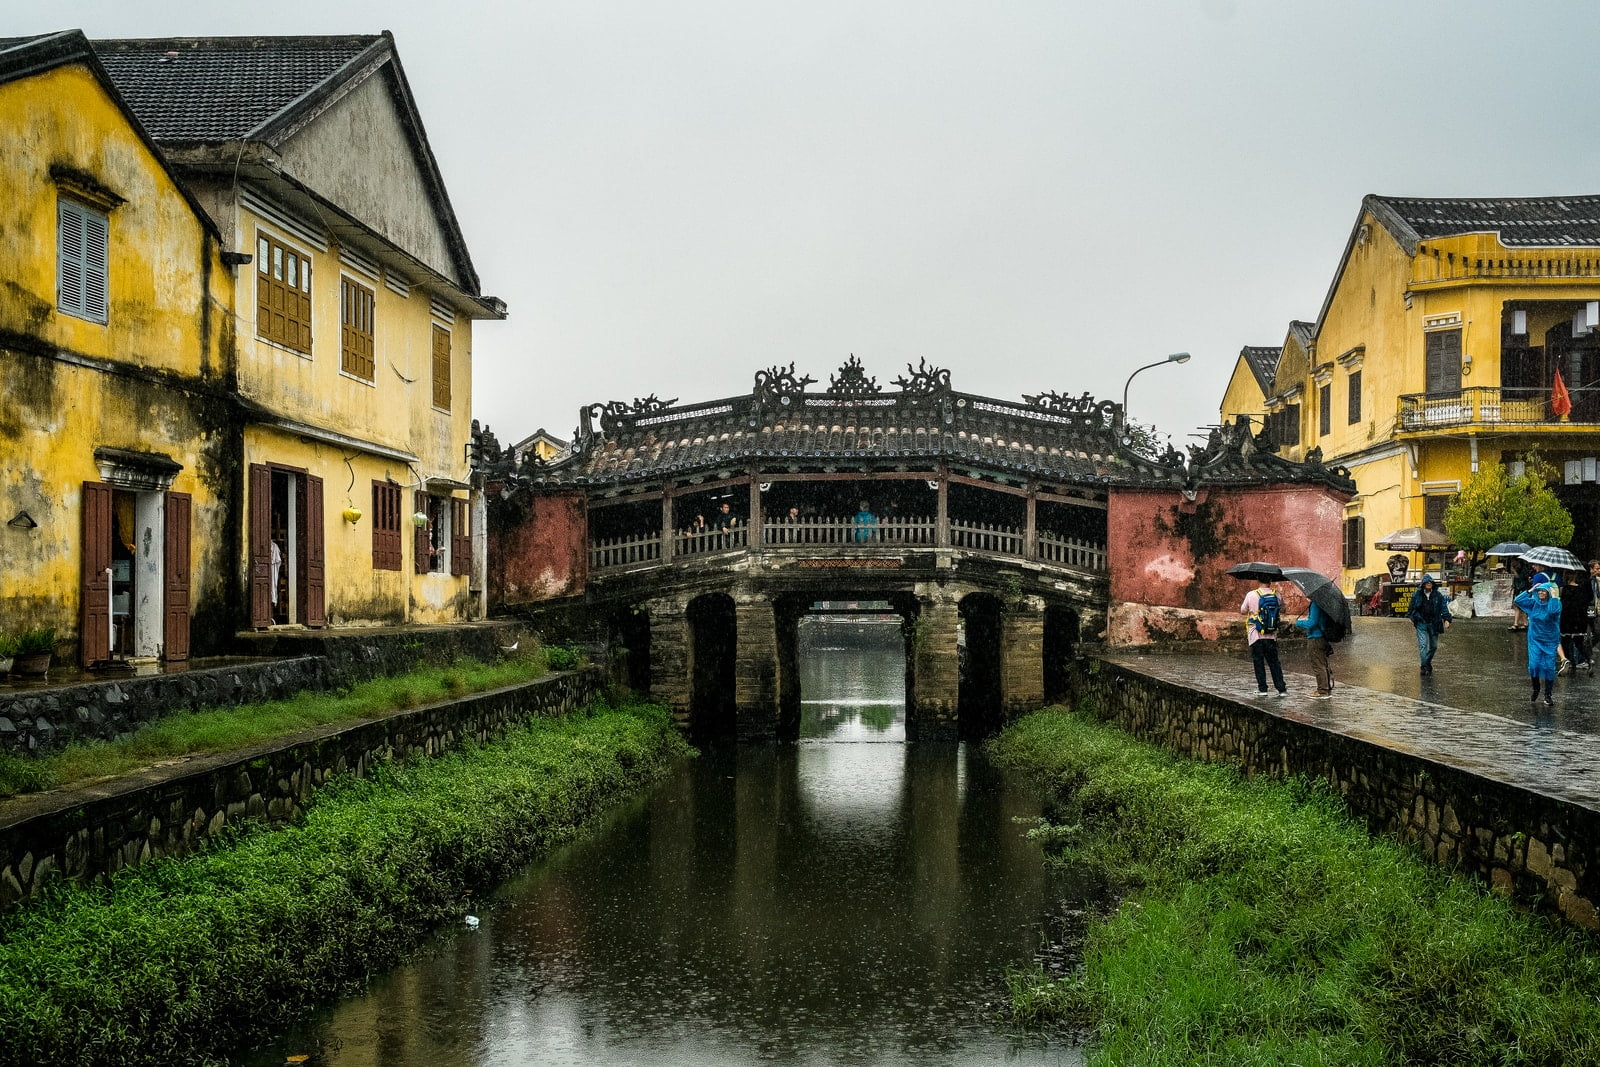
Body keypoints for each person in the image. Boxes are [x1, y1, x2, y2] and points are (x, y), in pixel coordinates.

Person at [1514, 581, 1563, 705]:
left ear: (1548, 593)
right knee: (1534, 665)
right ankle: (1536, 688)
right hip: (1535, 640)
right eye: (1539, 590)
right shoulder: (1533, 604)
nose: (1540, 592)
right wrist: (1530, 590)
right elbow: (1518, 600)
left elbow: (1553, 611)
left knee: (1549, 668)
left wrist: (1554, 597)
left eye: (1543, 591)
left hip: (1550, 640)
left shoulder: (1555, 603)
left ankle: (1548, 694)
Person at [1241, 580, 1287, 696]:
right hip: (1271, 634)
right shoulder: (1277, 594)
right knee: (1274, 662)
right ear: (1270, 581)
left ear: (1258, 580)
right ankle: (1281, 689)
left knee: (1258, 662)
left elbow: (1243, 610)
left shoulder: (1251, 594)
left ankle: (1263, 689)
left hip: (1255, 634)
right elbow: (1283, 609)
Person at [1406, 576, 1451, 675]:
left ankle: (1427, 662)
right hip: (1421, 622)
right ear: (1423, 584)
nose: (1429, 584)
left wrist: (1447, 619)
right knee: (1423, 645)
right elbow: (1411, 609)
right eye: (1427, 583)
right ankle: (1424, 666)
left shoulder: (1438, 595)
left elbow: (1443, 607)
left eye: (1430, 583)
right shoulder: (1417, 594)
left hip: (1434, 623)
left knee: (1434, 646)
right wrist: (1413, 618)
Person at [1294, 600, 1334, 696]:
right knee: (1323, 664)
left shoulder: (1316, 603)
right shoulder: (1324, 602)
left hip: (1316, 637)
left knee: (1318, 665)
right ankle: (1326, 689)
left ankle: (1322, 691)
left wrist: (1297, 622)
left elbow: (1312, 622)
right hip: (1323, 637)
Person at [1559, 568, 1593, 675]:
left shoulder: (1565, 589)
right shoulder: (1582, 589)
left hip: (1567, 619)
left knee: (1565, 642)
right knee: (1579, 643)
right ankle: (1588, 660)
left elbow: (1563, 605)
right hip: (1580, 619)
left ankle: (1570, 663)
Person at [1510, 560, 1530, 632]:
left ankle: (1518, 624)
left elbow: (1521, 582)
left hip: (1521, 592)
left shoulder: (1522, 572)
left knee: (1519, 607)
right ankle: (1524, 623)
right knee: (1520, 607)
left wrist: (1514, 572)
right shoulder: (1524, 570)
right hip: (1521, 591)